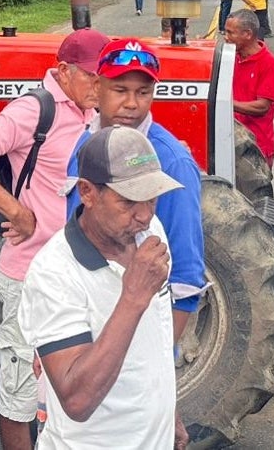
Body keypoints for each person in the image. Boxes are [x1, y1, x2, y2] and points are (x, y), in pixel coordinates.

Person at [0, 28, 109, 450]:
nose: (99, 84)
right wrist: (17, 211)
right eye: (92, 75)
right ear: (63, 71)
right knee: (19, 393)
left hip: (78, 274)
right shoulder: (35, 110)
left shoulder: (88, 110)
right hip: (31, 275)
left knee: (71, 386)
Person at [18, 125, 186, 450]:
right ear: (88, 192)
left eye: (151, 197)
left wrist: (169, 413)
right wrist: (133, 298)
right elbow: (77, 400)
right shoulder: (53, 272)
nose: (144, 214)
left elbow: (155, 341)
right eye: (128, 201)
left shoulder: (151, 233)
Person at [66, 38, 207, 346]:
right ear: (96, 87)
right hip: (81, 317)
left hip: (139, 333)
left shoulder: (171, 163)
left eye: (143, 92)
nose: (132, 103)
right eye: (120, 90)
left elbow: (186, 276)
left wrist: (157, 357)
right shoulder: (84, 144)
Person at [224, 10, 274, 166]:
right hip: (229, 141)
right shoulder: (231, 58)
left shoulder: (269, 65)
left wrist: (224, 104)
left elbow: (262, 106)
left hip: (256, 147)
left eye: (231, 33)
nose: (226, 37)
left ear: (248, 34)